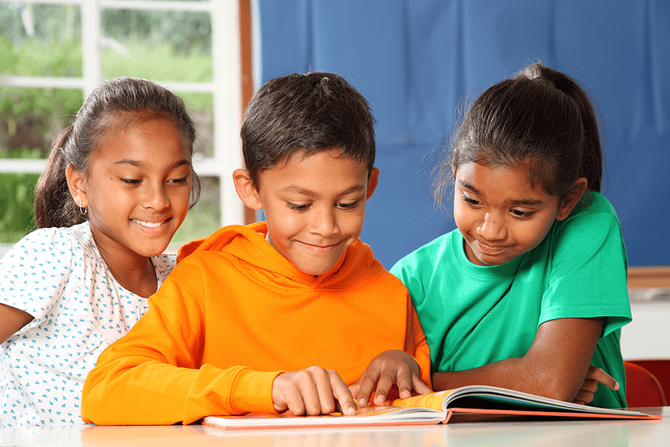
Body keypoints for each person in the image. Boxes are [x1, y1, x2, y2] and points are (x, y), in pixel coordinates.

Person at [81, 72, 432, 426]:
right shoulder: (205, 282)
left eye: (347, 203)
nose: (325, 228)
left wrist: (404, 366)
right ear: (249, 189)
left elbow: (420, 409)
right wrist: (267, 387)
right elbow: (106, 389)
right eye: (298, 205)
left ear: (369, 186)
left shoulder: (389, 292)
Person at [391, 62, 631, 409]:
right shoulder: (411, 278)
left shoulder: (589, 223)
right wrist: (525, 390)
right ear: (456, 168)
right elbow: (379, 395)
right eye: (472, 200)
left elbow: (549, 382)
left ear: (568, 201)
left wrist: (424, 387)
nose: (490, 229)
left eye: (520, 212)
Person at [0, 77, 200, 427]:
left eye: (177, 179)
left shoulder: (184, 280)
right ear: (80, 185)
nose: (158, 200)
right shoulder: (57, 256)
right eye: (131, 180)